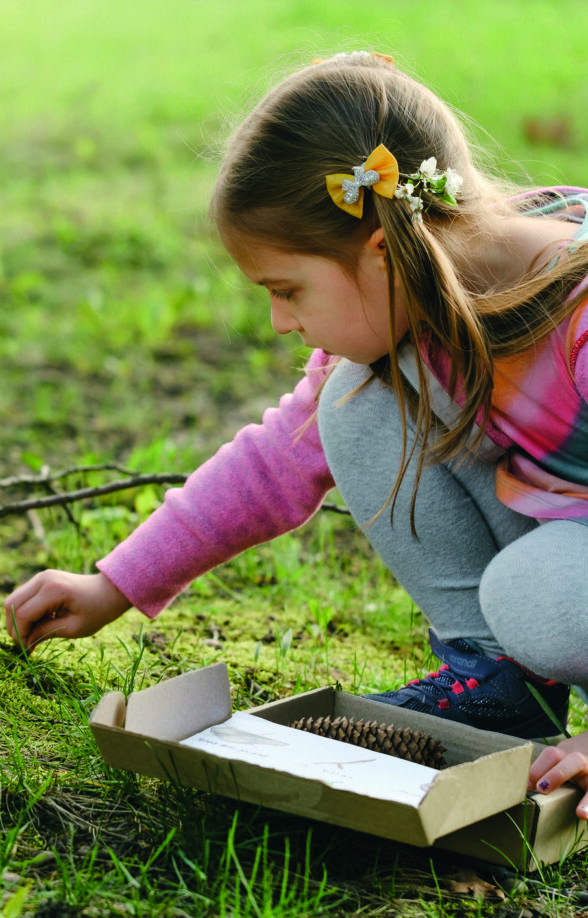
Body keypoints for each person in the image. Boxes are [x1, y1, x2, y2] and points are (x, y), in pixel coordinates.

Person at [5, 51, 588, 815]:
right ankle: (496, 682)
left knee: (535, 595)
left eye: (287, 290)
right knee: (351, 398)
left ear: (382, 251)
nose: (281, 321)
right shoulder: (419, 302)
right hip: (562, 527)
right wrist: (114, 584)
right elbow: (274, 460)